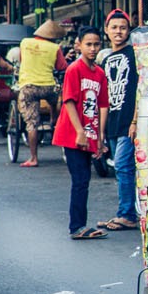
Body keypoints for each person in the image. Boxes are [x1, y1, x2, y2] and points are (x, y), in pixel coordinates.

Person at [54, 26, 109, 239]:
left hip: (89, 134)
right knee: (80, 179)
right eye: (88, 44)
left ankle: (80, 225)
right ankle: (77, 226)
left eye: (96, 44)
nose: (93, 48)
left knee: (84, 180)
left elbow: (103, 105)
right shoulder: (74, 69)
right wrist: (80, 132)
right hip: (72, 134)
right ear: (79, 45)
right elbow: (68, 101)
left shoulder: (100, 73)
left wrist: (100, 136)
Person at [97, 10, 140, 231]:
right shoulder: (105, 59)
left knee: (123, 166)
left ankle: (127, 215)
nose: (118, 31)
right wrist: (100, 129)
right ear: (106, 30)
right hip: (112, 121)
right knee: (121, 168)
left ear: (129, 30)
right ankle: (124, 212)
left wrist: (135, 121)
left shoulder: (135, 55)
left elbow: (141, 90)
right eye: (114, 27)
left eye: (123, 27)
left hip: (128, 122)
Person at [17, 19, 68, 167]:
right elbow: (61, 66)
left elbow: (22, 61)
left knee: (32, 124)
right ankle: (53, 118)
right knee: (55, 100)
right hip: (48, 86)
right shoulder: (55, 47)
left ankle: (33, 158)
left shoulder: (25, 42)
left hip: (28, 87)